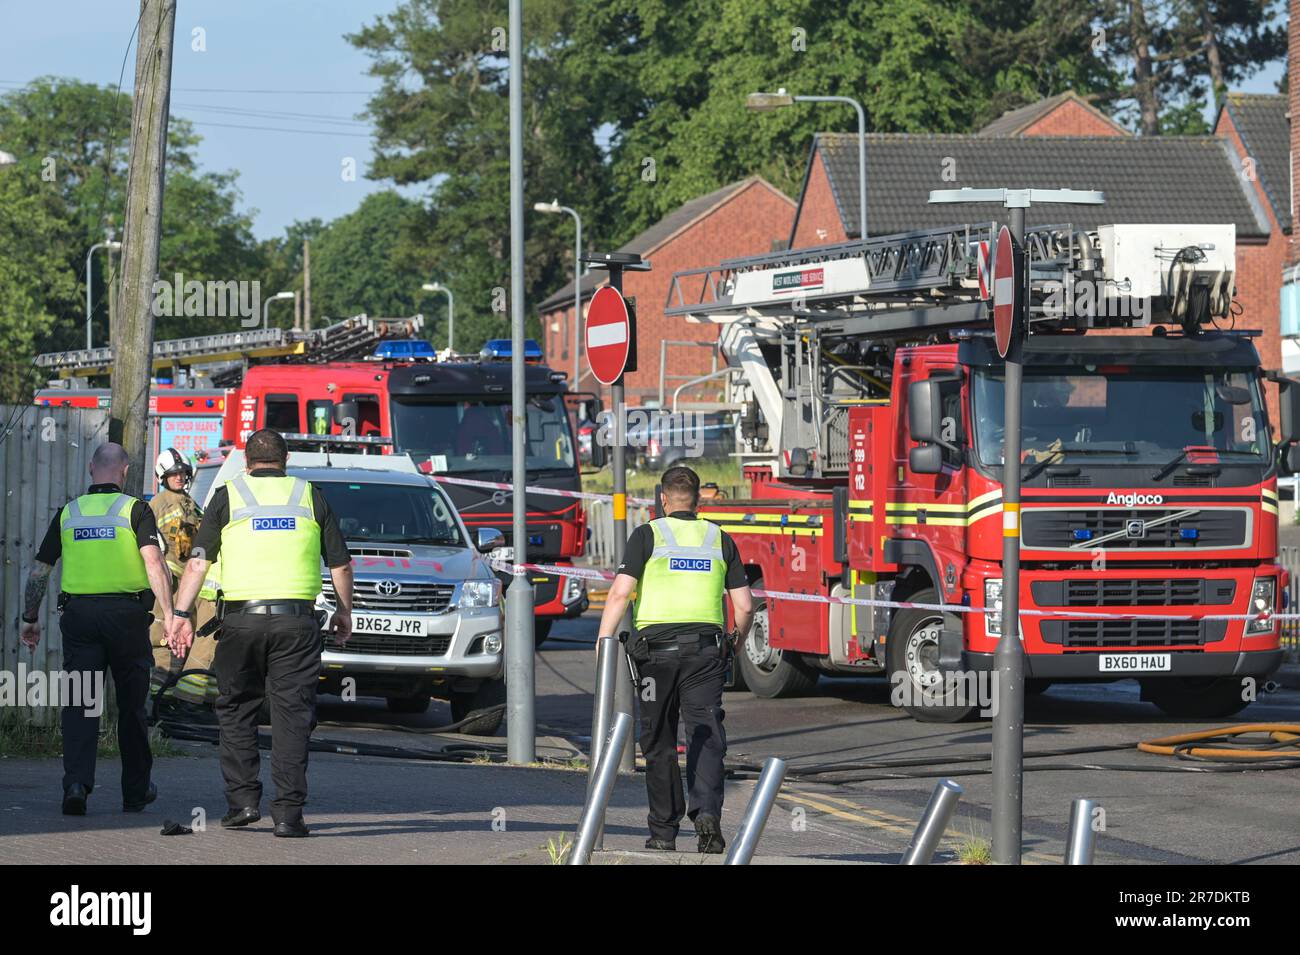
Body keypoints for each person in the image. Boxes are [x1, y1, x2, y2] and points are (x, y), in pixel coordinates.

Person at [167, 429, 353, 838]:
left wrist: (180, 613)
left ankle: (243, 802)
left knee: (236, 709)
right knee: (292, 715)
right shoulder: (310, 494)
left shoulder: (228, 495)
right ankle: (288, 816)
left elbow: (197, 564)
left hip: (240, 623)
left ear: (247, 462)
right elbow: (340, 564)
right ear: (285, 460)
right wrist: (344, 612)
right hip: (297, 624)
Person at [595, 465, 754, 854]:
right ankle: (708, 818)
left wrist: (603, 640)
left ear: (663, 499)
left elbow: (620, 595)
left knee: (659, 741)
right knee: (706, 734)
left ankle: (663, 833)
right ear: (698, 501)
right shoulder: (719, 538)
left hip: (655, 656)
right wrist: (736, 642)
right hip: (706, 652)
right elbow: (745, 607)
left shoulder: (647, 534)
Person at [19, 442, 176, 815]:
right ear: (124, 472)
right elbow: (153, 561)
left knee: (79, 704)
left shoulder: (68, 513)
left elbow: (40, 570)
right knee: (132, 707)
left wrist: (30, 617)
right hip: (126, 619)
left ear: (92, 469)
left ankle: (76, 785)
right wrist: (170, 614)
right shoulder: (135, 510)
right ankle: (135, 792)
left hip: (80, 619)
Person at [148, 448, 219, 706]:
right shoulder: (157, 504)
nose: (179, 477)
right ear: (162, 476)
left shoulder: (191, 503)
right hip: (167, 586)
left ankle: (179, 704)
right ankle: (158, 706)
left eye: (182, 473)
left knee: (187, 644)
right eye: (173, 474)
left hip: (190, 587)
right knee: (166, 646)